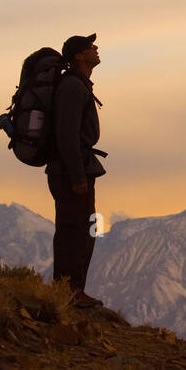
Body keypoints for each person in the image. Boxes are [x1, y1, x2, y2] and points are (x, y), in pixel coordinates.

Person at [46, 33, 107, 307]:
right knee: (75, 231)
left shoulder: (77, 85)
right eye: (90, 47)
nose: (96, 49)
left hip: (74, 168)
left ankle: (71, 290)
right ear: (79, 56)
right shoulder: (72, 87)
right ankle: (69, 292)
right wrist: (77, 175)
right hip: (73, 170)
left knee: (79, 230)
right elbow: (66, 135)